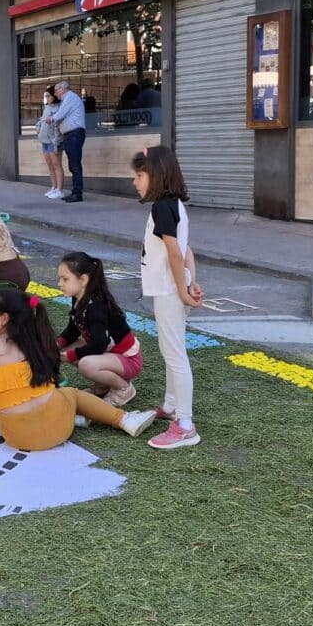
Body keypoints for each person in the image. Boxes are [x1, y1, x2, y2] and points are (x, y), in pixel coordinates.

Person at [0, 290, 155, 452]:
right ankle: (123, 419)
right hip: (59, 426)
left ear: (4, 319)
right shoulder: (39, 341)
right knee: (71, 393)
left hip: (17, 436)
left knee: (0, 409)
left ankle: (87, 417)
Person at [132, 146, 204, 450]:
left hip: (168, 290)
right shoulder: (172, 204)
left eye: (139, 175)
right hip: (173, 288)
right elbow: (186, 250)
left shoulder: (162, 207)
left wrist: (183, 290)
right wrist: (191, 282)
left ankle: (185, 424)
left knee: (174, 354)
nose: (135, 182)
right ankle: (172, 406)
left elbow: (176, 252)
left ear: (156, 176)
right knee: (170, 349)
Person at [55, 251, 144, 407]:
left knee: (86, 364)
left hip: (128, 360)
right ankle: (103, 386)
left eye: (65, 279)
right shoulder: (79, 298)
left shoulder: (96, 306)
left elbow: (100, 344)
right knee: (66, 349)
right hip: (110, 355)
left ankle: (123, 389)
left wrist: (69, 355)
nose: (59, 283)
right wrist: (56, 345)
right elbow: (73, 330)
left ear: (83, 279)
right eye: (60, 278)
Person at [50, 80, 87, 202]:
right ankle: (75, 192)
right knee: (73, 165)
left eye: (56, 90)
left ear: (63, 88)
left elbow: (60, 114)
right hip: (71, 135)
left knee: (75, 165)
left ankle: (77, 193)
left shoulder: (70, 97)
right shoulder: (67, 99)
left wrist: (51, 118)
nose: (55, 94)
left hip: (74, 134)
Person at [37, 86, 64, 199]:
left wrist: (56, 142)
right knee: (50, 166)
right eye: (45, 96)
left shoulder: (60, 108)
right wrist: (37, 126)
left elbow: (58, 126)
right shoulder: (47, 107)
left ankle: (59, 189)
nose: (46, 98)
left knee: (56, 165)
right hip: (44, 140)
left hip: (54, 141)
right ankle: (53, 187)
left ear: (54, 96)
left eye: (48, 95)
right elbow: (41, 120)